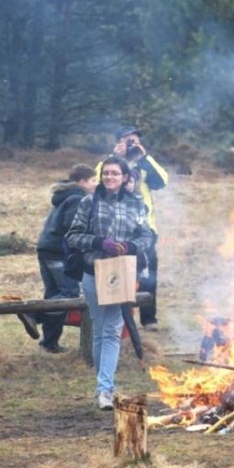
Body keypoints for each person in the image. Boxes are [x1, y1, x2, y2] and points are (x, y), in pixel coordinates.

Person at [66, 156, 153, 410]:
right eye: (106, 173)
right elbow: (73, 236)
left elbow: (147, 235)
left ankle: (105, 389)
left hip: (122, 272)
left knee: (113, 329)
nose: (109, 177)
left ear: (125, 177)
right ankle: (103, 384)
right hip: (94, 271)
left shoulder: (137, 203)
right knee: (100, 327)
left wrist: (131, 246)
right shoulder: (89, 201)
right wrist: (98, 242)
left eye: (115, 173)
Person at [18, 164, 97, 353]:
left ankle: (50, 343)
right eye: (93, 180)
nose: (96, 184)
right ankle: (32, 313)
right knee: (68, 295)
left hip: (46, 249)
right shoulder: (78, 198)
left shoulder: (66, 196)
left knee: (54, 295)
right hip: (58, 253)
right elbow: (72, 227)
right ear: (82, 181)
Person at [109, 126, 169, 331]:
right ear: (119, 143)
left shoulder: (144, 165)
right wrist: (114, 156)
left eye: (134, 141)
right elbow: (99, 181)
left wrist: (145, 157)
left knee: (148, 274)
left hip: (145, 229)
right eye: (127, 141)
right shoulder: (110, 163)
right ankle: (121, 319)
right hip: (116, 230)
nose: (131, 145)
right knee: (120, 273)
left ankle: (149, 318)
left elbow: (162, 181)